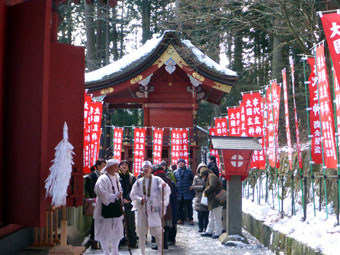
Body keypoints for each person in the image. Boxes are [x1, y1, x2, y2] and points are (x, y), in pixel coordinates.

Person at [130, 161, 171, 255]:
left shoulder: (157, 180)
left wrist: (163, 188)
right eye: (144, 167)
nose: (146, 169)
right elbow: (133, 195)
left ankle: (160, 251)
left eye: (148, 167)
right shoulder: (139, 181)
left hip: (154, 210)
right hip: (142, 209)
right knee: (141, 231)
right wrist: (139, 199)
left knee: (158, 231)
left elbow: (166, 190)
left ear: (151, 169)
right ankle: (142, 252)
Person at [93, 159, 124, 255]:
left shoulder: (117, 178)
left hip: (116, 208)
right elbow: (100, 192)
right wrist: (114, 196)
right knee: (104, 232)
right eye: (115, 166)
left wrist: (119, 197)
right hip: (105, 209)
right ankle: (106, 251)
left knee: (117, 231)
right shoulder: (103, 178)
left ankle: (115, 251)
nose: (116, 168)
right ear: (109, 167)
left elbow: (120, 191)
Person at [151, 164, 174, 250]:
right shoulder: (168, 179)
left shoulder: (155, 180)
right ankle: (165, 244)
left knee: (158, 225)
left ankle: (159, 244)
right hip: (168, 205)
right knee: (166, 225)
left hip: (157, 205)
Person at [85, 159, 106, 249]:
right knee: (95, 222)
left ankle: (101, 241)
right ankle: (94, 241)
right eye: (103, 166)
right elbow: (91, 190)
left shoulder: (103, 175)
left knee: (102, 222)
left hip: (103, 202)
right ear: (98, 166)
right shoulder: (92, 176)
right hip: (96, 201)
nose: (105, 168)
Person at [118, 160, 137, 248]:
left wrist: (128, 198)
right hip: (119, 204)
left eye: (126, 165)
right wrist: (121, 199)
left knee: (130, 223)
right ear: (119, 167)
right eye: (122, 165)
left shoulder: (132, 177)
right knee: (119, 223)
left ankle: (132, 242)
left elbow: (134, 189)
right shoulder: (116, 177)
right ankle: (120, 241)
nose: (124, 166)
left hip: (129, 204)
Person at [200, 167, 223, 239]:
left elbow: (212, 186)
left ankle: (218, 232)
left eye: (203, 176)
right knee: (211, 217)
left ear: (205, 174)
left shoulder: (211, 176)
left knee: (216, 217)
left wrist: (205, 190)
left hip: (216, 200)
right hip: (213, 200)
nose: (203, 178)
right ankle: (209, 231)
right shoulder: (211, 176)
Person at [173, 158, 194, 225]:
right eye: (179, 162)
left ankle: (190, 219)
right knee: (179, 207)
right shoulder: (175, 172)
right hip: (179, 191)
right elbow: (174, 181)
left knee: (189, 206)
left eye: (182, 162)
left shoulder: (189, 171)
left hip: (187, 190)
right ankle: (181, 219)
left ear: (185, 163)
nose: (181, 164)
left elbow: (194, 179)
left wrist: (192, 186)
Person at [192, 163, 209, 233]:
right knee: (200, 214)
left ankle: (206, 227)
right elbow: (194, 187)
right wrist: (202, 188)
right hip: (199, 197)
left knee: (206, 214)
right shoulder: (196, 178)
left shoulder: (208, 177)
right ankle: (200, 227)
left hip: (207, 197)